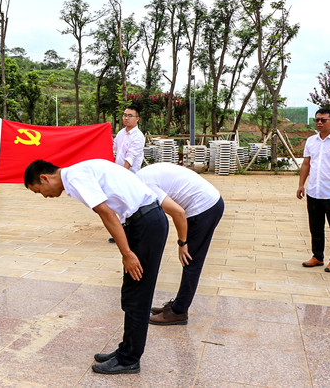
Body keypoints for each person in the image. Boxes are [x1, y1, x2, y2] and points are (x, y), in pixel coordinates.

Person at [24, 159, 168, 375]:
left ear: (45, 178)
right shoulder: (77, 172)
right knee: (131, 291)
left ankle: (129, 359)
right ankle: (126, 349)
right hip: (143, 221)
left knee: (137, 292)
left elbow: (107, 214)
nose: (44, 196)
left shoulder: (74, 177)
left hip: (146, 223)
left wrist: (127, 253)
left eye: (39, 191)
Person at [136, 163, 224, 325]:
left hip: (204, 207)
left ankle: (179, 311)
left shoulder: (144, 185)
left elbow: (178, 212)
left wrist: (182, 243)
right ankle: (177, 305)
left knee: (190, 261)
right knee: (190, 261)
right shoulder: (141, 176)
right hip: (207, 200)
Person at [297, 108, 330, 273]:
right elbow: (306, 164)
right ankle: (317, 256)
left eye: (324, 120)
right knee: (315, 226)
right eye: (317, 119)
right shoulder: (311, 141)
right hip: (314, 191)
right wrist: (301, 184)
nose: (319, 122)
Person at [113, 104, 145, 173]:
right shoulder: (121, 133)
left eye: (130, 116)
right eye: (125, 115)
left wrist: (122, 174)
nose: (126, 118)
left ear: (137, 119)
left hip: (130, 175)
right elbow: (113, 147)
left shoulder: (138, 136)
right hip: (117, 172)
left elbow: (130, 158)